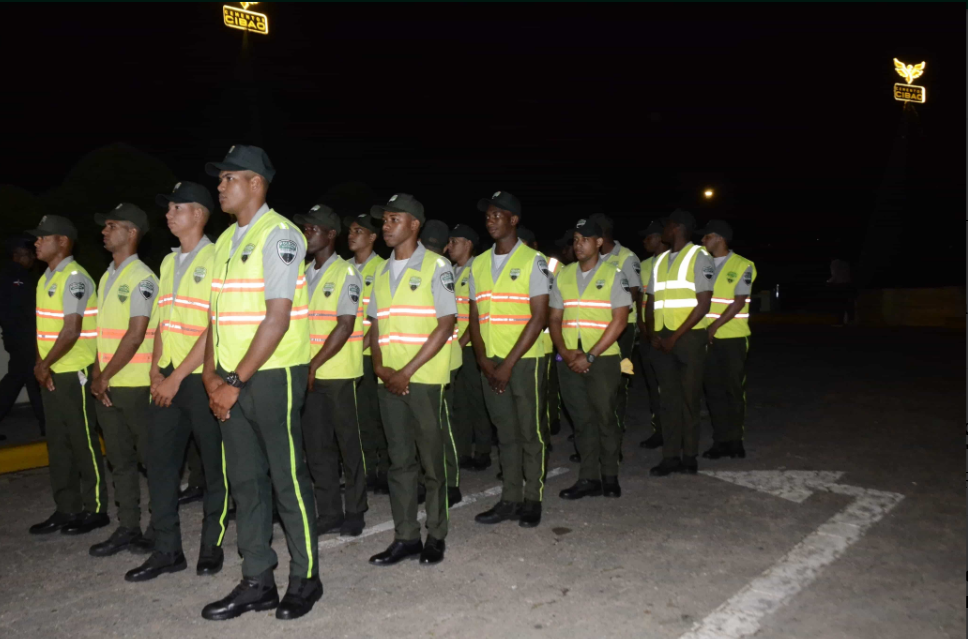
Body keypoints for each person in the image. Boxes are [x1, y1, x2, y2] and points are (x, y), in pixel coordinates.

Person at [201, 144, 321, 621]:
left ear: (255, 183)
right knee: (246, 483)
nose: (220, 186)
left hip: (272, 375)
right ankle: (257, 580)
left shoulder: (280, 235)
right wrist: (210, 374)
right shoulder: (224, 242)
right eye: (220, 179)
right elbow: (215, 318)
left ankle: (306, 578)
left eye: (228, 178)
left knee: (287, 479)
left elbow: (277, 317)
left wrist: (233, 380)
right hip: (229, 378)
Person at [125, 182, 229, 583]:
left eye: (176, 208)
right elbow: (161, 323)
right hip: (168, 378)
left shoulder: (217, 257)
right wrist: (156, 371)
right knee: (160, 465)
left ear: (198, 214)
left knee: (215, 466)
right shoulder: (168, 263)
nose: (168, 215)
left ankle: (211, 545)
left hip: (201, 379)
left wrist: (178, 377)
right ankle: (167, 550)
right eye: (167, 209)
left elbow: (213, 326)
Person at [366, 193, 456, 566]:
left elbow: (445, 324)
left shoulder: (437, 266)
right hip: (388, 379)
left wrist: (406, 371)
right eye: (384, 220)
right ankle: (405, 537)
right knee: (399, 462)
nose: (386, 226)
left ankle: (436, 534)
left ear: (414, 224)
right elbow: (375, 326)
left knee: (432, 463)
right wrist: (380, 368)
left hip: (423, 379)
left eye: (394, 219)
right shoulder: (381, 271)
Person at [469, 191, 550, 529]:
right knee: (505, 432)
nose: (490, 220)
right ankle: (510, 498)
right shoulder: (478, 263)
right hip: (491, 361)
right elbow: (474, 317)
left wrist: (507, 364)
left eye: (497, 215)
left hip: (524, 360)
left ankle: (533, 499)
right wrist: (483, 360)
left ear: (514, 220)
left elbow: (539, 317)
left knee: (530, 432)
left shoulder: (534, 260)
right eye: (488, 215)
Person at [26, 217, 108, 535]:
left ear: (62, 241)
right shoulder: (46, 278)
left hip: (74, 371)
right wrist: (41, 365)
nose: (36, 242)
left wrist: (45, 364)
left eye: (42, 237)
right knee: (58, 443)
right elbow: (43, 330)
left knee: (82, 440)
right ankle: (67, 507)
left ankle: (96, 508)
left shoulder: (75, 278)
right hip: (52, 371)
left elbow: (72, 330)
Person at [89, 203, 159, 557]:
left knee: (152, 461)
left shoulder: (143, 278)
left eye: (111, 225)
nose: (104, 231)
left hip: (136, 386)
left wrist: (103, 376)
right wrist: (98, 376)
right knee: (119, 462)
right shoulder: (107, 277)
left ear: (132, 232)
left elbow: (135, 334)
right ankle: (128, 526)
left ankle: (160, 528)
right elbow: (103, 333)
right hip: (109, 386)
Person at [298, 204, 368, 537]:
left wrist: (313, 364)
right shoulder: (302, 273)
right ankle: (329, 512)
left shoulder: (346, 274)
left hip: (338, 373)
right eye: (305, 229)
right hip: (309, 375)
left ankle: (355, 509)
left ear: (330, 235)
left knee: (348, 445)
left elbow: (344, 325)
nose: (306, 235)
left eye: (312, 229)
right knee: (317, 446)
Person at [550, 218, 631, 499]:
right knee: (581, 420)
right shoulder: (564, 274)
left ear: (598, 242)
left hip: (603, 359)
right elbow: (554, 317)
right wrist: (564, 351)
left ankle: (609, 475)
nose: (578, 245)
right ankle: (588, 478)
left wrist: (591, 356)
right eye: (575, 239)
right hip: (569, 357)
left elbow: (620, 321)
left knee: (605, 418)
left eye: (585, 239)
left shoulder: (614, 274)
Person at [643, 209, 714, 477]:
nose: (663, 231)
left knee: (689, 398)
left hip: (688, 337)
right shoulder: (660, 260)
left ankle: (689, 456)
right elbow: (650, 301)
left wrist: (674, 337)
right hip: (662, 338)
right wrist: (652, 333)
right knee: (668, 400)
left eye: (666, 226)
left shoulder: (700, 256)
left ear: (677, 227)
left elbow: (704, 304)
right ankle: (670, 456)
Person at [699, 220, 756, 460]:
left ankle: (735, 440)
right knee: (713, 390)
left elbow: (739, 301)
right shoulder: (702, 264)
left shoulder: (743, 264)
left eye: (707, 236)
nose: (703, 240)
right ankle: (720, 441)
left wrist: (714, 326)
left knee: (733, 389)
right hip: (707, 338)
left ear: (720, 238)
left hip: (733, 337)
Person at [345, 212, 389, 494]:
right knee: (355, 417)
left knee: (376, 415)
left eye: (358, 231)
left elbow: (378, 318)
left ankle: (382, 470)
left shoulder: (383, 268)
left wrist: (359, 346)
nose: (352, 235)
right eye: (350, 230)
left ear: (373, 237)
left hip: (370, 354)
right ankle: (362, 470)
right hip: (345, 355)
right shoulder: (343, 268)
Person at [589, 214, 641, 435]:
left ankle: (615, 427)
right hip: (596, 326)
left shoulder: (626, 257)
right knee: (595, 377)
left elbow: (634, 293)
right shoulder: (592, 258)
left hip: (623, 329)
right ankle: (596, 426)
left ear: (601, 234)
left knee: (618, 377)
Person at [445, 224, 491, 471]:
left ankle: (483, 451)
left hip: (471, 347)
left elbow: (478, 314)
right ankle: (462, 451)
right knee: (459, 403)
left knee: (477, 400)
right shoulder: (451, 271)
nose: (449, 246)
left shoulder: (477, 270)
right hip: (455, 346)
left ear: (468, 244)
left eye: (455, 241)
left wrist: (461, 344)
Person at [424, 218, 461, 505]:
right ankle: (442, 482)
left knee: (438, 424)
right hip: (436, 358)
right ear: (447, 245)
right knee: (435, 425)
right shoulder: (442, 267)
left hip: (439, 358)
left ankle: (449, 483)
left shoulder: (436, 267)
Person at [0, 236, 45, 438]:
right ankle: (47, 425)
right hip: (23, 338)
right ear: (18, 255)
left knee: (17, 379)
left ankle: (47, 425)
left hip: (16, 337)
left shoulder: (9, 274)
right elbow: (24, 309)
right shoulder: (16, 276)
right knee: (32, 379)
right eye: (29, 255)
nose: (33, 259)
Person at [637, 219, 668, 449]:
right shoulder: (644, 265)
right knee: (653, 385)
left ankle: (672, 431)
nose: (645, 242)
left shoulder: (674, 262)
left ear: (659, 238)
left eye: (649, 237)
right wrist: (642, 325)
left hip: (667, 332)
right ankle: (659, 430)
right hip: (647, 333)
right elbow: (640, 298)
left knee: (668, 386)